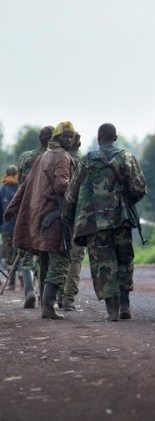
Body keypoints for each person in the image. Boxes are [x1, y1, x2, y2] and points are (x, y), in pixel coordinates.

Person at [63, 123, 146, 321]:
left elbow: (72, 193)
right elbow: (139, 188)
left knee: (103, 264)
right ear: (115, 138)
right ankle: (125, 304)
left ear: (98, 138)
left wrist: (67, 217)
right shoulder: (127, 158)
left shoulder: (87, 161)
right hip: (122, 220)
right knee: (124, 260)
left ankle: (112, 311)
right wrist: (125, 202)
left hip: (95, 223)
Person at [5, 122, 76, 319]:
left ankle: (46, 307)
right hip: (56, 217)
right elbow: (62, 186)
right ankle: (49, 306)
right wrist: (78, 185)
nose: (69, 140)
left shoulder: (44, 156)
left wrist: (12, 208)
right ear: (57, 137)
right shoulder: (62, 157)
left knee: (45, 261)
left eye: (71, 136)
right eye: (66, 136)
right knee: (59, 262)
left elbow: (25, 184)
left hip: (40, 218)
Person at [16, 125, 54, 308]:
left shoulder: (25, 157)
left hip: (27, 209)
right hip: (47, 211)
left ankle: (29, 290)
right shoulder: (55, 158)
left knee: (26, 253)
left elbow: (20, 185)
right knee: (45, 254)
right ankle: (44, 297)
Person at [60, 133, 86, 311]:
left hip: (58, 215)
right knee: (76, 258)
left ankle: (55, 295)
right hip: (79, 217)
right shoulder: (84, 164)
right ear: (79, 145)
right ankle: (68, 299)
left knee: (59, 257)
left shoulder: (58, 161)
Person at [0, 165, 19, 291]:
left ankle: (12, 282)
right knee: (20, 253)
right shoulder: (20, 187)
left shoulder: (3, 190)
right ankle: (24, 277)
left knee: (8, 255)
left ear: (6, 174)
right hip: (20, 228)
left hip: (6, 228)